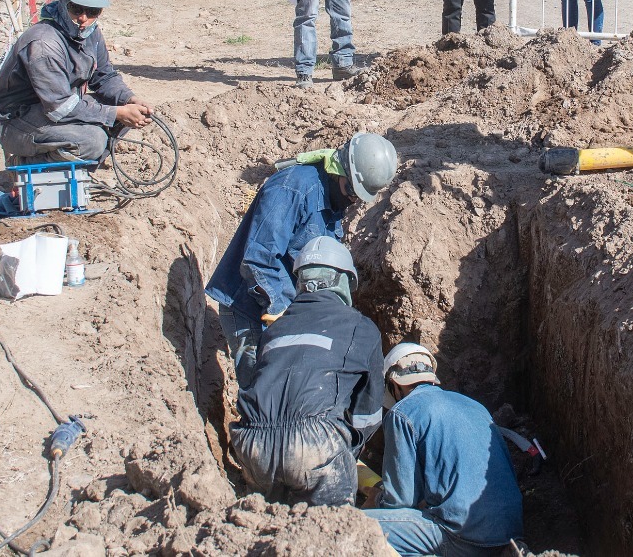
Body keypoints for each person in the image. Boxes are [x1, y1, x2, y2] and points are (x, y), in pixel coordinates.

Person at [204, 132, 398, 388]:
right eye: (351, 190)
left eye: (359, 196)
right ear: (339, 170)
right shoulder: (291, 189)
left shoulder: (333, 194)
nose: (352, 200)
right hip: (250, 307)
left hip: (289, 307)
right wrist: (288, 313)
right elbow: (257, 260)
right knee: (262, 388)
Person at [229, 236, 384, 507]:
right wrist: (347, 450)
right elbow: (368, 415)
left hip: (252, 443)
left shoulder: (275, 329)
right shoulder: (361, 326)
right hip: (314, 445)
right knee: (329, 533)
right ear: (343, 280)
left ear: (300, 282)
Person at [363, 344, 524, 557]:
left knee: (356, 527)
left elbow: (400, 501)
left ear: (393, 384)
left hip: (462, 536)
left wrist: (376, 499)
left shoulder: (401, 413)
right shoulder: (475, 406)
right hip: (511, 532)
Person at [0, 0, 153, 165]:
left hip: (48, 108)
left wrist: (129, 99)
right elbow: (60, 107)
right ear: (62, 2)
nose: (83, 18)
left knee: (120, 115)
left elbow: (104, 77)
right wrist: (116, 113)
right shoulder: (43, 44)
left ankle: (71, 171)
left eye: (92, 11)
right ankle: (23, 166)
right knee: (92, 141)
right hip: (16, 121)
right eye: (76, 9)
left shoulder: (89, 33)